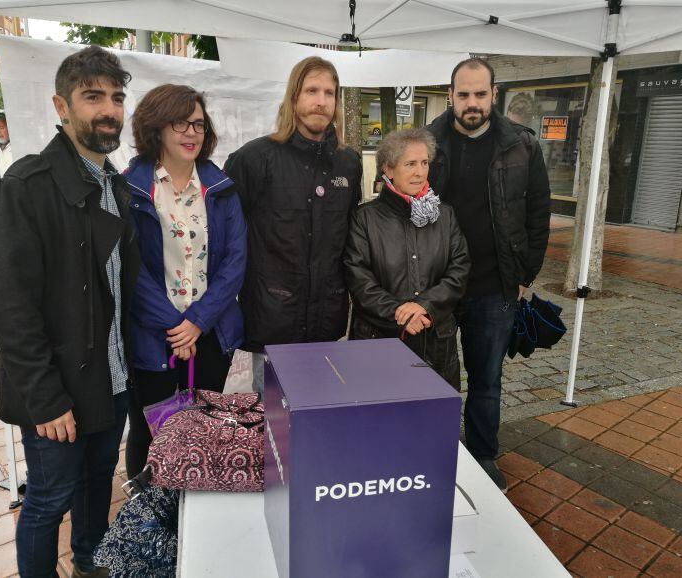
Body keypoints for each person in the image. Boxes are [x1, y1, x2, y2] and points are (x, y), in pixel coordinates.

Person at [0, 46, 137, 578]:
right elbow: (12, 310)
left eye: (116, 97)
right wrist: (45, 400)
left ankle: (90, 562)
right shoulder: (25, 188)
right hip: (57, 392)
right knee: (50, 499)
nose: (108, 110)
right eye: (92, 96)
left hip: (111, 377)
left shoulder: (116, 184)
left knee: (99, 481)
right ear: (60, 105)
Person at [427, 58, 551, 492]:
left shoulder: (522, 145)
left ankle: (482, 455)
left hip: (493, 286)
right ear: (450, 95)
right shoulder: (427, 142)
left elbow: (538, 212)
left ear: (494, 94)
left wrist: (524, 274)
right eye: (464, 94)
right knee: (432, 379)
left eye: (480, 94)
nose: (472, 103)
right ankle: (433, 453)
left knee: (486, 380)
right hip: (435, 286)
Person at [124, 84, 246, 477]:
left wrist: (196, 322)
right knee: (152, 432)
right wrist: (175, 325)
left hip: (209, 332)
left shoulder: (221, 187)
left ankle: (194, 519)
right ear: (156, 127)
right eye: (180, 123)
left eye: (198, 124)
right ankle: (149, 519)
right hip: (154, 333)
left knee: (205, 428)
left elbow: (235, 262)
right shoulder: (131, 187)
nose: (192, 133)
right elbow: (131, 267)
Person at [224, 56, 362, 394]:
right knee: (272, 426)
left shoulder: (349, 163)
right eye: (312, 90)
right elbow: (228, 238)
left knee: (319, 415)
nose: (321, 101)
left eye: (329, 93)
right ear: (293, 97)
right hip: (273, 322)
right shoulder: (254, 159)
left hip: (326, 322)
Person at [344, 128, 470, 386]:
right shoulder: (364, 218)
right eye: (410, 164)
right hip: (379, 341)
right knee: (378, 418)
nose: (420, 172)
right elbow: (358, 277)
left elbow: (459, 269)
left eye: (424, 163)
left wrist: (425, 305)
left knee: (430, 420)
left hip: (434, 341)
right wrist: (398, 313)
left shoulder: (445, 215)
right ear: (388, 170)